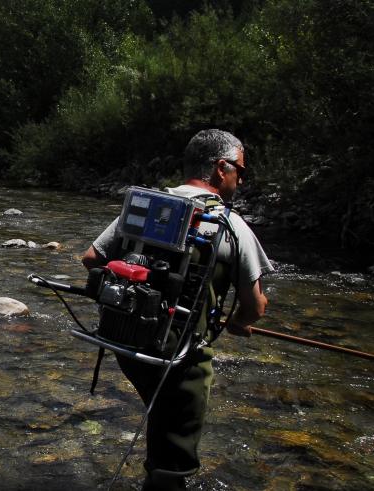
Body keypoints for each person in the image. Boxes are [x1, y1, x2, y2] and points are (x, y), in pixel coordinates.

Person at [81, 129, 273, 490]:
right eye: (240, 170)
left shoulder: (146, 205)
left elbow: (92, 259)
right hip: (181, 358)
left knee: (160, 418)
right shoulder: (231, 225)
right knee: (174, 460)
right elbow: (255, 307)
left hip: (127, 344)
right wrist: (236, 323)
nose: (241, 178)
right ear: (220, 168)